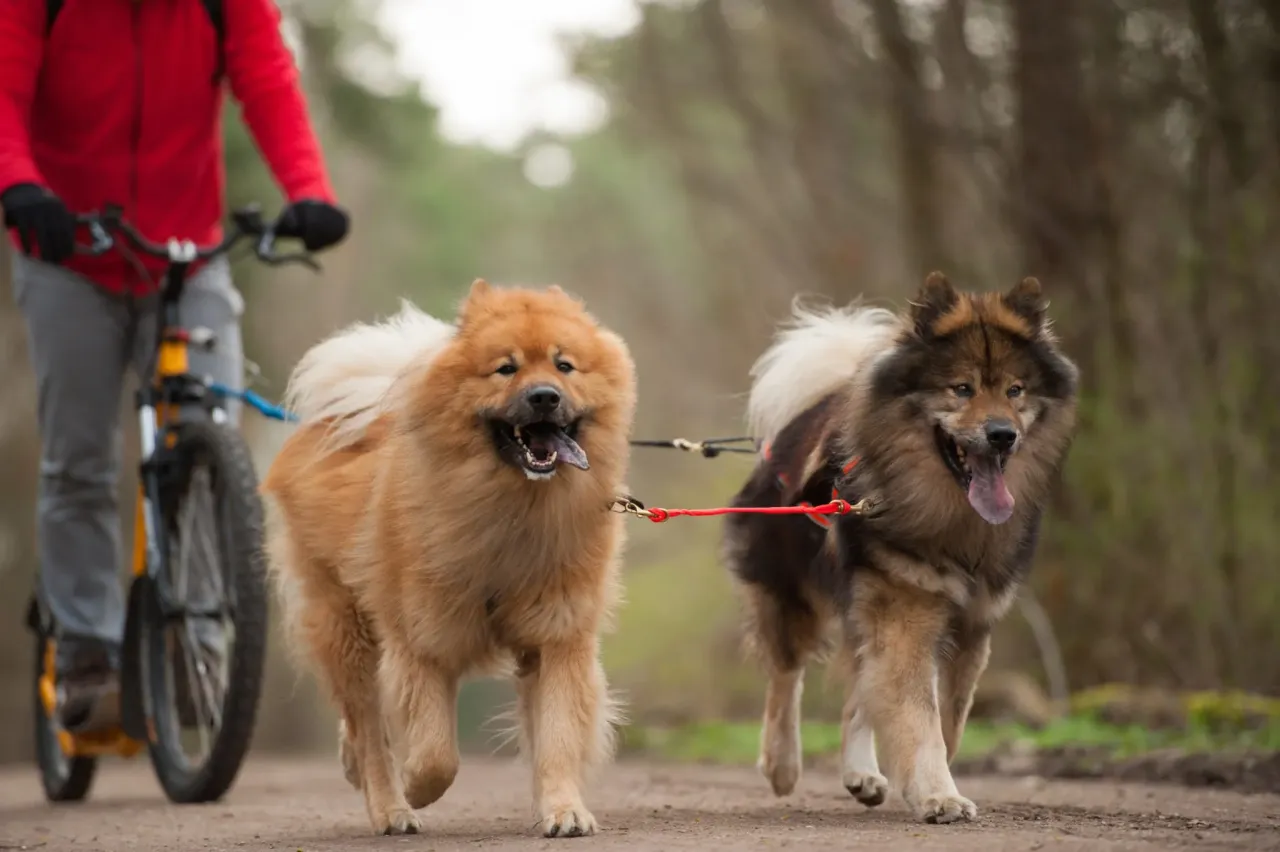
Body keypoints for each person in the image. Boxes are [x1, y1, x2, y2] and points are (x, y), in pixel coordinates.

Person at [0, 0, 349, 733]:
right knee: (81, 460)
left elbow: (268, 83)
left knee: (208, 428)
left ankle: (200, 640)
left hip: (186, 253)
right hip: (66, 252)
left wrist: (310, 191)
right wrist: (18, 183)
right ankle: (88, 650)